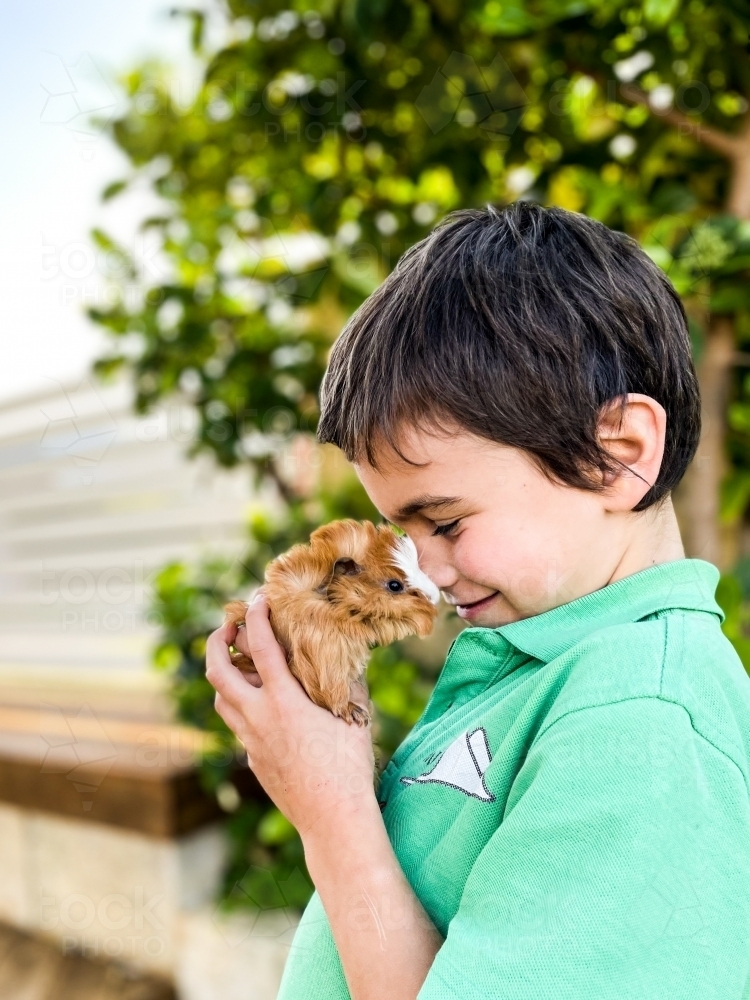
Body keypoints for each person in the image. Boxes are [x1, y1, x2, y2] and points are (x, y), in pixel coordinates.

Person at [205, 203, 750, 1000]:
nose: (424, 570)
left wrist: (331, 813)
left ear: (619, 456)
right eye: (403, 529)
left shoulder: (640, 720)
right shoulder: (547, 663)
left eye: (447, 521)